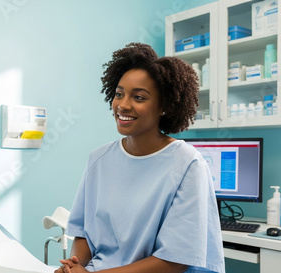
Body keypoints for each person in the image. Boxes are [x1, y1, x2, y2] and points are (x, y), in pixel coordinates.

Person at [56, 43, 225, 273]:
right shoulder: (99, 159)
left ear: (163, 106)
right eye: (119, 94)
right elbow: (84, 234)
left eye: (139, 97)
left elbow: (174, 260)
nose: (123, 105)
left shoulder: (187, 164)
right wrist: (74, 266)